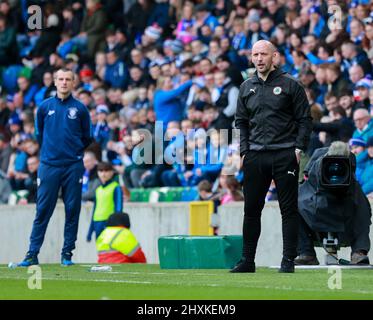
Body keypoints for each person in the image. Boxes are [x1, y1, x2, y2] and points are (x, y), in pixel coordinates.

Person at [232, 40, 312, 273]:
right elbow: (241, 122)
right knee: (251, 210)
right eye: (255, 54)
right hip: (255, 156)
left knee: (288, 209)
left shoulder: (290, 85)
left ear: (274, 56)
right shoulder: (246, 87)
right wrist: (244, 151)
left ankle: (288, 260)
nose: (259, 59)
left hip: (284, 153)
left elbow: (305, 120)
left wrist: (298, 149)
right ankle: (248, 260)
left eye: (263, 54)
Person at [18, 68, 92, 267]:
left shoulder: (81, 109)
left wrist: (72, 153)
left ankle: (67, 254)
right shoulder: (44, 107)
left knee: (72, 209)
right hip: (49, 165)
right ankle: (32, 254)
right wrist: (53, 152)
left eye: (68, 79)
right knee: (43, 210)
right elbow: (39, 135)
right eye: (61, 79)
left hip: (73, 165)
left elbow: (87, 137)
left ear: (73, 83)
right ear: (55, 82)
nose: (64, 82)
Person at [87, 161, 123, 242]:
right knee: (101, 250)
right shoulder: (98, 190)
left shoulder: (116, 187)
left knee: (110, 250)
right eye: (101, 171)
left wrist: (116, 225)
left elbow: (119, 208)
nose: (103, 174)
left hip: (109, 223)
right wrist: (90, 231)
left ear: (112, 172)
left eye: (106, 171)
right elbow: (94, 210)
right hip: (97, 223)